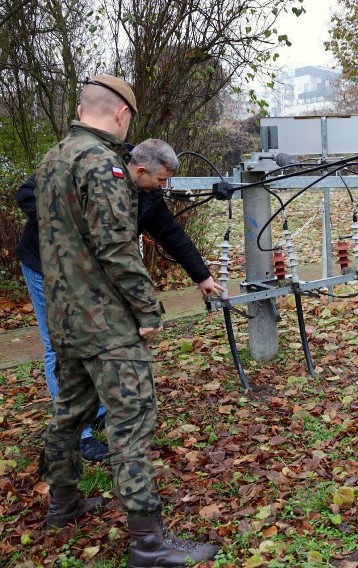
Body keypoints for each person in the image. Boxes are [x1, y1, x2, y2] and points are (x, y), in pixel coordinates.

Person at [34, 74, 217, 566]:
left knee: (70, 411)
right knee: (132, 422)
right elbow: (116, 247)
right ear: (121, 115)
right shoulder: (104, 165)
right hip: (106, 323)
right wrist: (146, 308)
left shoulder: (53, 158)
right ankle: (149, 542)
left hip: (65, 317)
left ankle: (63, 501)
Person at [16, 140, 223, 463]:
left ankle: (97, 411)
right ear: (140, 170)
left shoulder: (147, 195)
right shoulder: (88, 165)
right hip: (49, 267)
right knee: (61, 346)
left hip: (94, 275)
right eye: (161, 180)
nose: (163, 187)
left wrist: (203, 277)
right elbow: (27, 195)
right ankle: (76, 434)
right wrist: (73, 228)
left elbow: (171, 234)